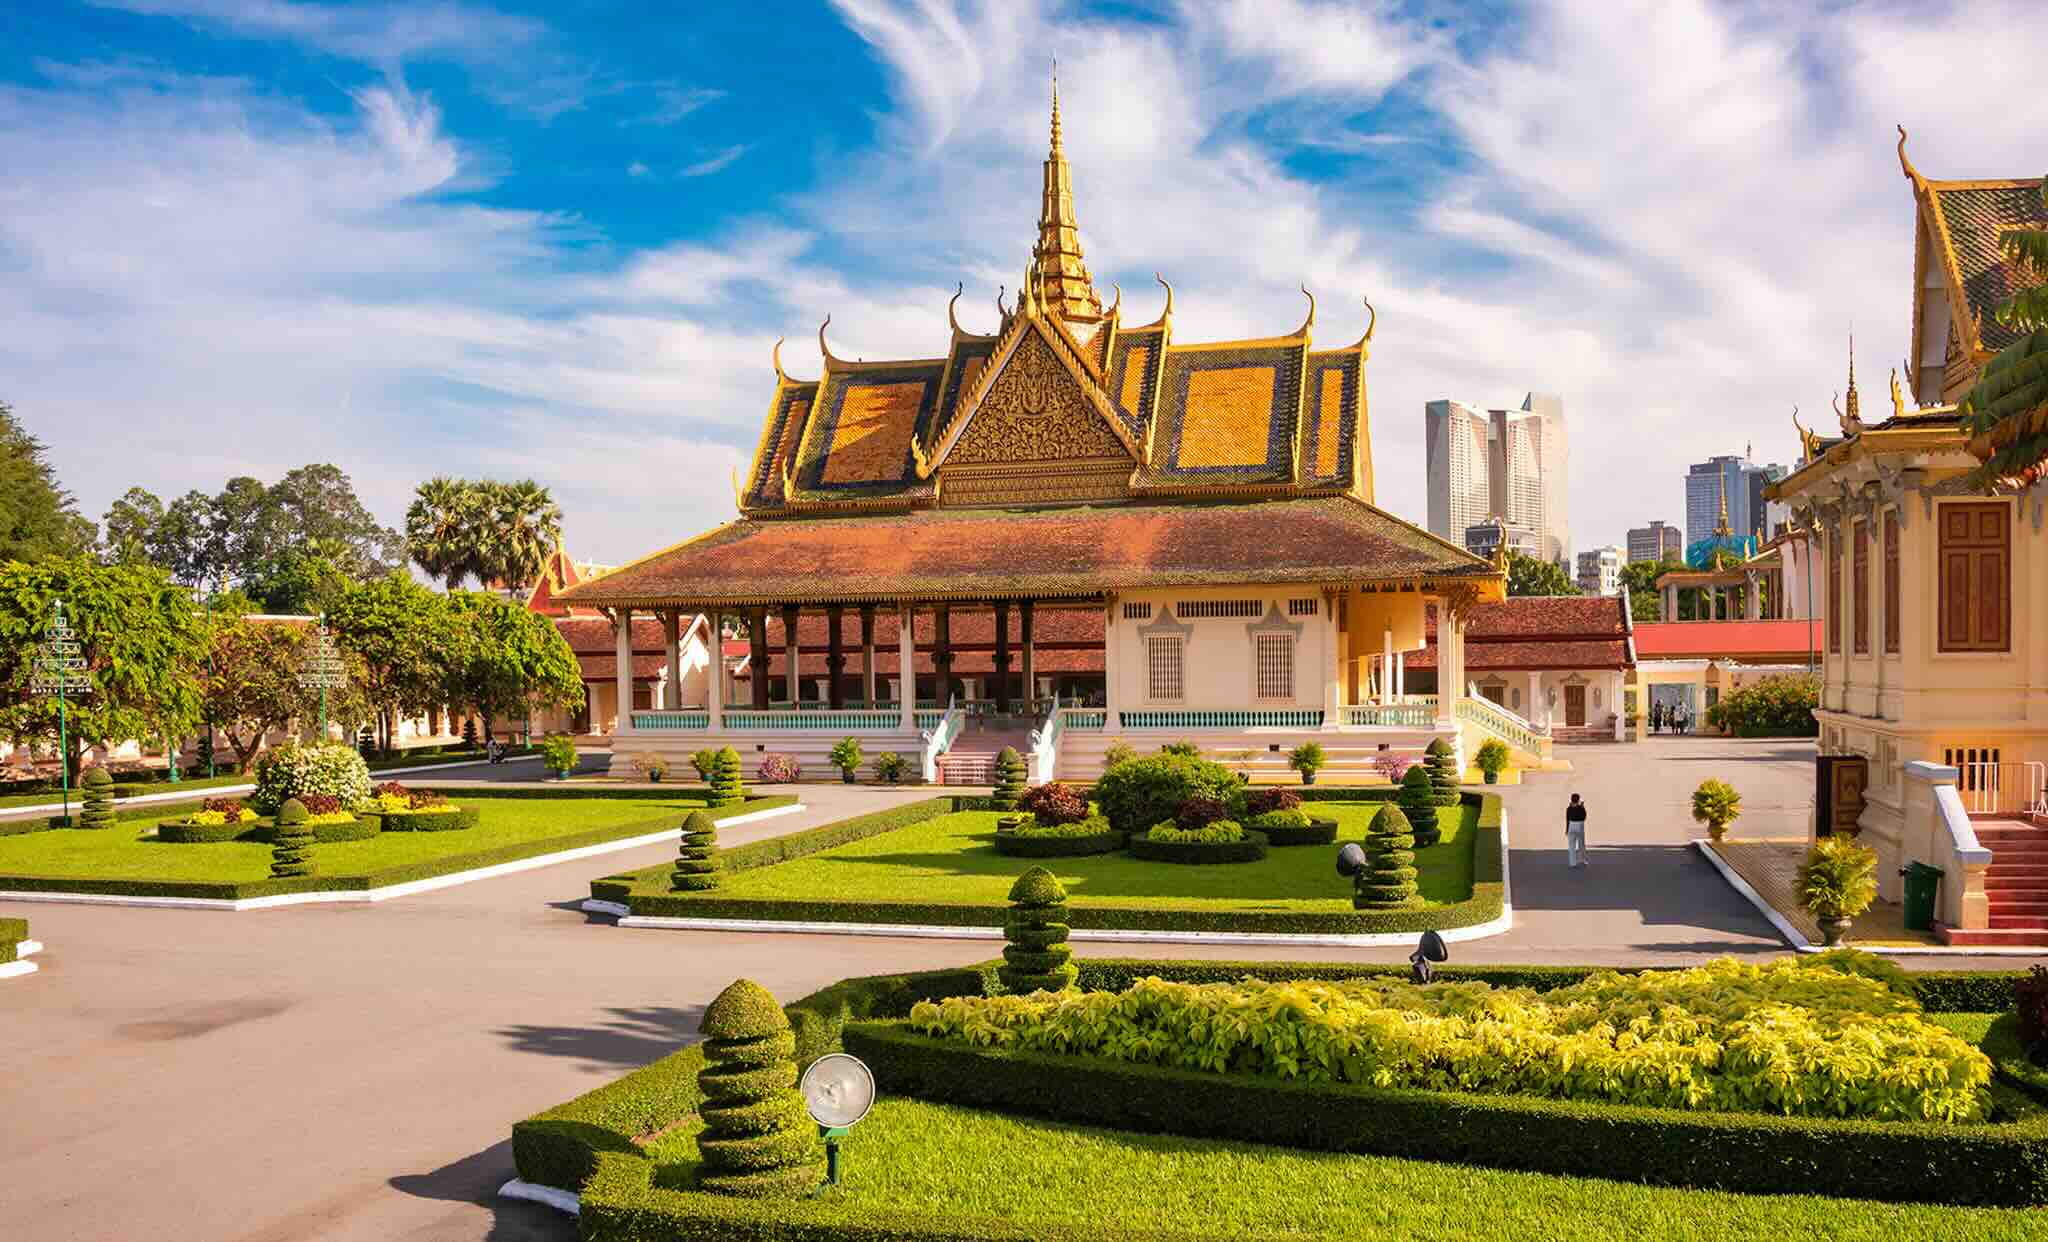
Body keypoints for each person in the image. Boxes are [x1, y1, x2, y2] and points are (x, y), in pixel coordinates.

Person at [1565, 793, 1588, 868]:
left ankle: (1572, 863)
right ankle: (1583, 860)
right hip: (1579, 825)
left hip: (1571, 825)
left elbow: (1567, 819)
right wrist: (1582, 806)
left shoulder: (1569, 808)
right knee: (1581, 844)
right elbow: (1584, 817)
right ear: (1578, 800)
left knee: (1571, 845)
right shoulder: (1580, 808)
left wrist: (1567, 829)